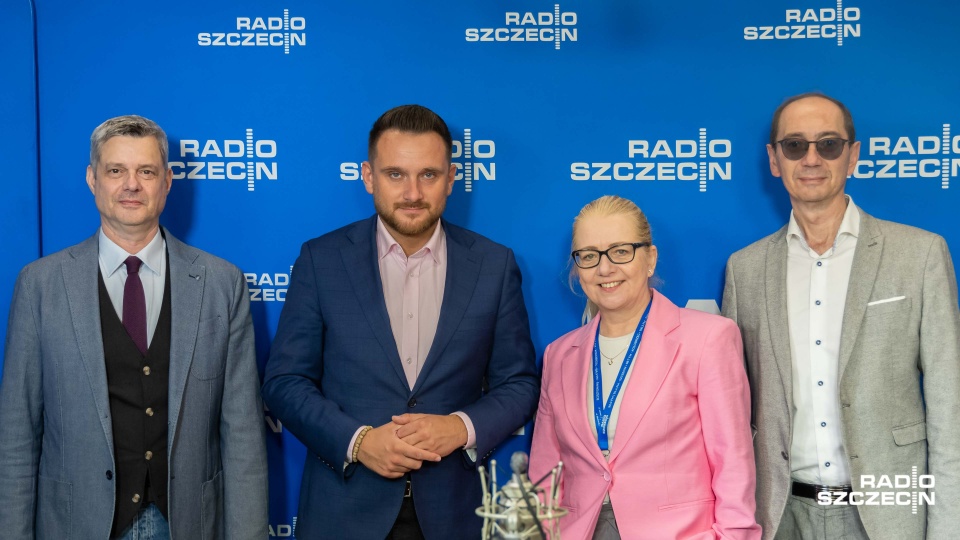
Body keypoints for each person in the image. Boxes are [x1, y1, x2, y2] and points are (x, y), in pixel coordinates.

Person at [261, 104, 539, 539]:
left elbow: (519, 384)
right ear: (369, 177)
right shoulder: (322, 260)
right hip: (343, 512)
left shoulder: (494, 265)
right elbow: (285, 382)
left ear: (450, 180)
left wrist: (459, 427)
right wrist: (358, 441)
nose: (412, 192)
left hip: (454, 516)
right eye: (395, 174)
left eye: (428, 174)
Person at [0, 115, 268, 539]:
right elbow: (16, 435)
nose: (131, 185)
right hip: (76, 525)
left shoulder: (221, 283)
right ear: (92, 179)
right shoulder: (40, 285)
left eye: (146, 171)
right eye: (115, 171)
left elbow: (243, 436)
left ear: (167, 181)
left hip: (190, 525)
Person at [722, 92, 960, 540]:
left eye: (828, 144)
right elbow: (735, 415)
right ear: (774, 160)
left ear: (853, 156)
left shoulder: (921, 254)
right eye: (794, 146)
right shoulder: (745, 270)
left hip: (888, 516)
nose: (811, 158)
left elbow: (952, 409)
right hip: (779, 515)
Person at [529, 195, 760, 540]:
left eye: (620, 251)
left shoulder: (708, 338)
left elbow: (733, 461)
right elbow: (546, 470)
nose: (605, 268)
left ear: (650, 259)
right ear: (577, 268)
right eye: (589, 256)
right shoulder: (559, 355)